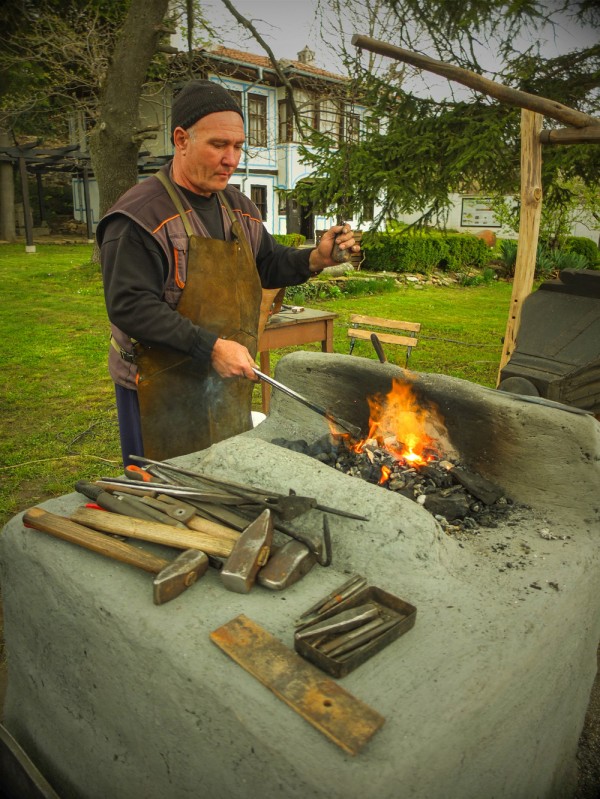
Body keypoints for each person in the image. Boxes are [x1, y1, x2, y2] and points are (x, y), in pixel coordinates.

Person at [97, 79, 359, 465]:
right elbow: (130, 306)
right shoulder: (139, 217)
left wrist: (316, 259)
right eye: (219, 145)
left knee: (225, 483)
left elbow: (266, 263)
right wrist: (213, 348)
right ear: (181, 139)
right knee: (163, 496)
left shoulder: (236, 206)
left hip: (223, 381)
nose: (231, 159)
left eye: (238, 146)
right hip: (156, 386)